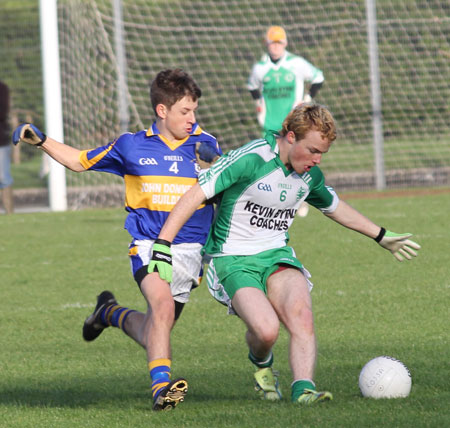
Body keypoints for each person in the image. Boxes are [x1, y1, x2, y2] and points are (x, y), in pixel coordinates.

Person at [148, 103, 421, 405]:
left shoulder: (309, 176)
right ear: (291, 137)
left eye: (322, 154)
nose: (316, 160)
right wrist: (162, 245)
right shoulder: (251, 159)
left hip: (276, 255)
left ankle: (304, 389)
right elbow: (194, 195)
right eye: (313, 150)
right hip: (232, 259)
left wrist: (380, 235)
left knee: (302, 315)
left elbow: (335, 207)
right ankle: (262, 365)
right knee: (266, 331)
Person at [12, 69, 222, 411]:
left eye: (194, 111)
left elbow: (225, 184)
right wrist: (43, 141)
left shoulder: (206, 145)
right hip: (150, 246)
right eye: (185, 111)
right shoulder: (130, 146)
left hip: (191, 253)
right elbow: (80, 161)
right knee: (162, 308)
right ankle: (160, 391)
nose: (192, 118)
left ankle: (108, 312)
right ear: (162, 111)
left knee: (155, 329)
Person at [248, 25, 325, 217]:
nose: (275, 46)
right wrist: (259, 105)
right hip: (270, 124)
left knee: (298, 159)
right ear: (266, 44)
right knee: (270, 162)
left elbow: (318, 77)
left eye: (279, 42)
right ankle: (271, 202)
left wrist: (307, 99)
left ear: (285, 43)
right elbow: (252, 87)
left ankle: (301, 198)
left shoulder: (296, 63)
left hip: (294, 123)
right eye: (272, 43)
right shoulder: (260, 68)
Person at [0, 81, 14, 214]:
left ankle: (10, 215)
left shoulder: (2, 88)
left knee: (3, 178)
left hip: (0, 141)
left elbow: (3, 112)